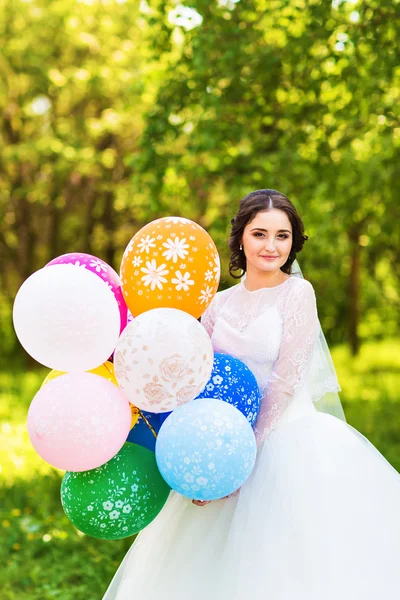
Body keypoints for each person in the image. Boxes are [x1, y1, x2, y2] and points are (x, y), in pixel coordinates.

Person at [102, 189, 400, 600]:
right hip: (218, 441)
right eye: (260, 234)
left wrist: (245, 458)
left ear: (294, 242)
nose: (271, 246)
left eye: (283, 235)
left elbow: (284, 380)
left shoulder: (298, 294)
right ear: (241, 237)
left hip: (283, 439)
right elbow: (193, 377)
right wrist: (205, 465)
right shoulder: (218, 305)